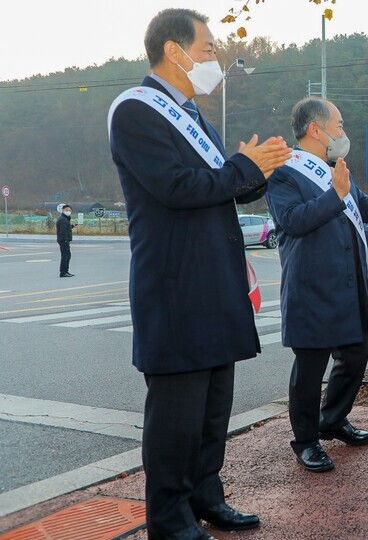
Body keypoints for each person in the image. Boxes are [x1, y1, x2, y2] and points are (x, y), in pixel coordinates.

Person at [109, 9, 291, 539]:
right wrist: (243, 167)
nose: (216, 61)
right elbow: (177, 187)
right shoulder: (137, 112)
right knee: (176, 415)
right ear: (174, 50)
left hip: (214, 283)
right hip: (176, 287)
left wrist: (259, 170)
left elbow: (220, 184)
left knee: (213, 408)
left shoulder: (190, 114)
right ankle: (169, 520)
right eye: (209, 50)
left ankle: (206, 496)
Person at [265, 97, 368, 471]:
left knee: (356, 355)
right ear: (316, 129)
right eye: (339, 126)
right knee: (310, 369)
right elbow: (293, 221)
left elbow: (358, 208)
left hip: (348, 286)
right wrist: (336, 195)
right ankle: (306, 440)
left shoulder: (335, 170)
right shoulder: (284, 173)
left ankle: (333, 419)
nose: (344, 133)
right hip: (310, 288)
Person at [56, 204, 74, 277]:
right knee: (65, 256)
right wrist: (66, 239)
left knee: (67, 256)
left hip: (65, 240)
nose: (68, 211)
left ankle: (66, 271)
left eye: (69, 210)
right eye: (66, 210)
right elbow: (62, 231)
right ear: (62, 210)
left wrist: (71, 226)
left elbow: (66, 228)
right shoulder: (63, 219)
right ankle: (63, 272)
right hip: (64, 241)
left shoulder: (65, 218)